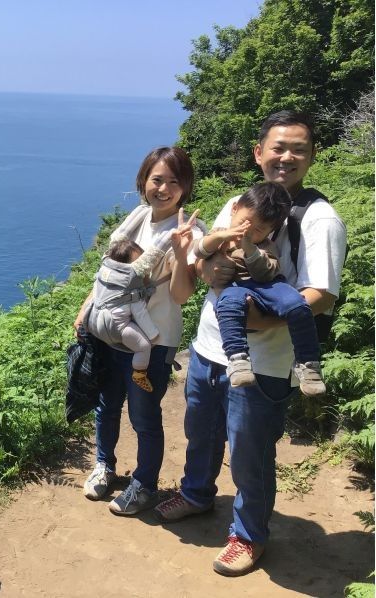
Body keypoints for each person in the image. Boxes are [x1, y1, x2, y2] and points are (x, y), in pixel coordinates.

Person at [154, 111, 347, 576]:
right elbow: (207, 258)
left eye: (298, 149)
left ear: (312, 156)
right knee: (200, 432)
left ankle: (248, 535)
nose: (287, 157)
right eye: (277, 148)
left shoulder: (319, 217)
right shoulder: (240, 203)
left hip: (264, 363)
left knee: (250, 451)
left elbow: (320, 295)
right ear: (259, 153)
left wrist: (258, 319)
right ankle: (197, 493)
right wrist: (209, 270)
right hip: (208, 347)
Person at [74, 146, 204, 515]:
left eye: (173, 182)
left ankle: (144, 485)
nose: (163, 189)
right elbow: (111, 274)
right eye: (156, 179)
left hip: (154, 338)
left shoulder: (190, 232)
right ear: (143, 181)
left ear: (186, 187)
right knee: (107, 406)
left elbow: (181, 295)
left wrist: (180, 254)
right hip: (111, 329)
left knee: (144, 417)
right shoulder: (138, 216)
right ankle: (105, 466)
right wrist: (88, 306)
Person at [196, 181, 326, 395]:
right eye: (245, 222)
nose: (248, 231)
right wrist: (221, 237)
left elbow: (264, 273)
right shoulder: (220, 234)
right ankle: (237, 360)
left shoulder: (265, 245)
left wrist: (249, 247)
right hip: (235, 287)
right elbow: (199, 251)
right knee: (228, 305)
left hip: (267, 285)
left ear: (270, 231)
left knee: (297, 304)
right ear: (234, 209)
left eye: (258, 230)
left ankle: (308, 363)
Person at [85, 232, 175, 392]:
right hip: (115, 328)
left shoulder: (104, 275)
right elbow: (141, 315)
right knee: (144, 346)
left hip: (93, 323)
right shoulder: (131, 291)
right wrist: (153, 336)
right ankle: (139, 374)